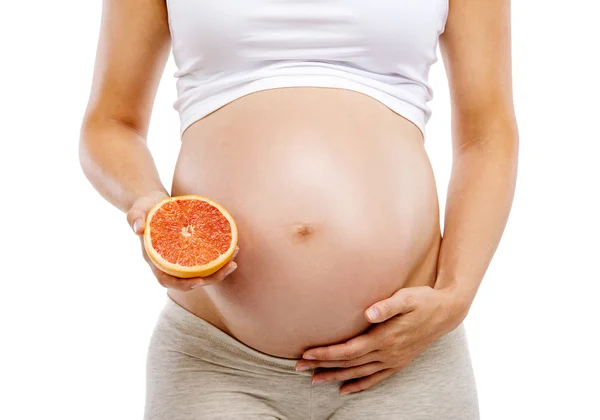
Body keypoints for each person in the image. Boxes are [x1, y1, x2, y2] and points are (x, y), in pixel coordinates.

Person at [79, 0, 518, 418]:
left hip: (405, 360)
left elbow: (488, 132)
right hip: (216, 363)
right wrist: (150, 205)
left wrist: (457, 295)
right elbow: (110, 123)